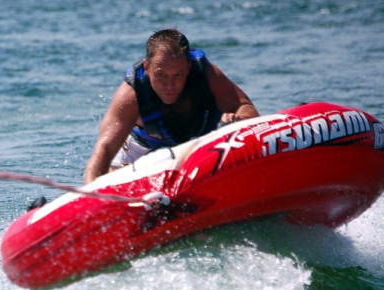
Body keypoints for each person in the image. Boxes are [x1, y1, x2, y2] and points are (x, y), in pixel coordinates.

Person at [83, 28, 259, 183]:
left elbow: (246, 107)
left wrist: (239, 120)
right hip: (143, 150)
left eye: (177, 75)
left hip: (203, 143)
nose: (169, 86)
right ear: (147, 67)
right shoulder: (132, 95)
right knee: (112, 174)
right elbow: (104, 149)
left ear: (189, 67)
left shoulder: (207, 75)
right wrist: (91, 193)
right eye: (161, 75)